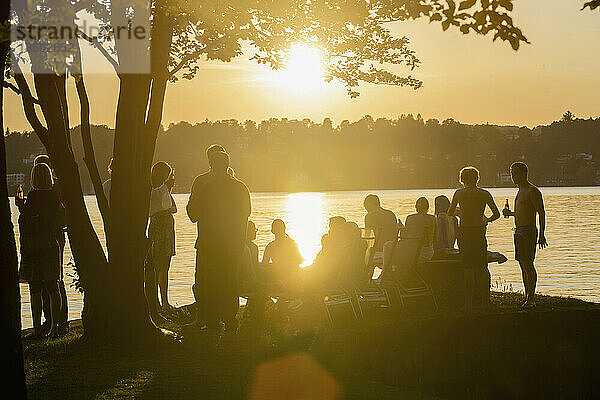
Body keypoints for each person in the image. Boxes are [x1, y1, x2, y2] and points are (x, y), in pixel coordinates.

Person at [195, 150, 251, 333]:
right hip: (234, 243)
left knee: (212, 282)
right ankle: (230, 320)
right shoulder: (241, 187)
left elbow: (192, 213)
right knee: (230, 280)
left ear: (211, 165)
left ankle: (212, 321)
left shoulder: (207, 188)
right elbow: (247, 212)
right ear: (228, 164)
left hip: (211, 244)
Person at [17, 163, 66, 339]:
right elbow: (61, 220)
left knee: (35, 288)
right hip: (51, 244)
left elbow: (25, 222)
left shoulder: (33, 196)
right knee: (53, 286)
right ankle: (54, 327)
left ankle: (37, 329)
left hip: (34, 247)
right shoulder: (54, 196)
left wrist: (20, 207)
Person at [186, 144, 231, 327]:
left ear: (209, 162)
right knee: (225, 278)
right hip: (229, 241)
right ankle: (224, 318)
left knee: (204, 280)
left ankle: (205, 318)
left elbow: (192, 214)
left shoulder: (201, 182)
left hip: (208, 239)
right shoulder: (235, 184)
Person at [448, 166, 500, 310]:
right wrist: (486, 220)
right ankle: (484, 301)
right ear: (477, 178)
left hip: (464, 232)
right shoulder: (484, 193)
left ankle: (468, 303)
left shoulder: (459, 193)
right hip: (478, 232)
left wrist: (460, 212)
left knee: (468, 268)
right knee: (482, 266)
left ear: (462, 179)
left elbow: (450, 212)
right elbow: (496, 214)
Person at [502, 162, 547, 308]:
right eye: (511, 173)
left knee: (528, 264)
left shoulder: (531, 191)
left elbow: (541, 212)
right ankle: (527, 295)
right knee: (522, 264)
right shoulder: (520, 191)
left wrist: (542, 234)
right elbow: (523, 212)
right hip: (519, 231)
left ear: (524, 173)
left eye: (516, 173)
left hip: (528, 231)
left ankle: (531, 298)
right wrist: (511, 213)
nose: (513, 176)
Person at [148, 162, 177, 312]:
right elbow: (165, 207)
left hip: (166, 228)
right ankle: (159, 302)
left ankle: (164, 302)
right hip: (160, 228)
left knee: (164, 266)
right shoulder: (153, 190)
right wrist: (166, 187)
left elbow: (174, 208)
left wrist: (167, 189)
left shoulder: (163, 191)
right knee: (158, 266)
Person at [262, 219, 304, 285]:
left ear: (272, 231)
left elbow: (300, 260)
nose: (280, 231)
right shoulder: (270, 246)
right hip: (278, 277)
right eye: (278, 229)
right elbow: (264, 265)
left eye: (280, 229)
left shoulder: (291, 244)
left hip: (292, 278)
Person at [404, 197, 437, 262]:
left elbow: (405, 236)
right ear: (427, 207)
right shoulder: (433, 219)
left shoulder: (410, 218)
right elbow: (435, 237)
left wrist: (400, 228)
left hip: (414, 253)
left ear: (416, 207)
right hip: (429, 253)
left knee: (387, 245)